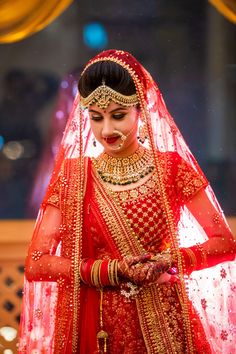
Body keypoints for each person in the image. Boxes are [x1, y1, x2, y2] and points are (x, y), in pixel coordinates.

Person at [19, 49, 236, 354]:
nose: (106, 130)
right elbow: (37, 264)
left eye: (117, 115)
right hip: (99, 326)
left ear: (141, 109)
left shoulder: (172, 168)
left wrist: (168, 260)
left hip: (166, 322)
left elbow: (224, 243)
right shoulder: (73, 177)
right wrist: (109, 271)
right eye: (96, 117)